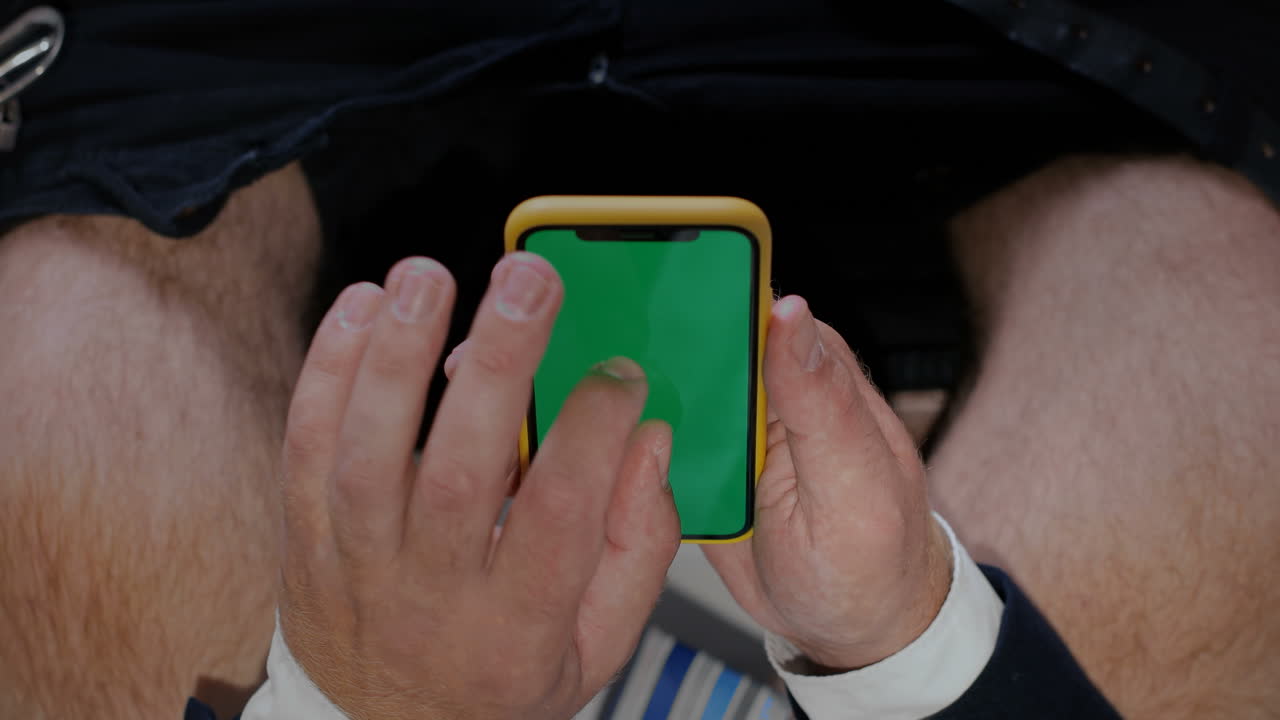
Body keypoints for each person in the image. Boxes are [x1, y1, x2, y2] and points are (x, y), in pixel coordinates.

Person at [2, 1, 1278, 718]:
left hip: (258, 42)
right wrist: (913, 649)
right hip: (1007, 49)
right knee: (1236, 390)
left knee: (50, 410)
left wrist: (356, 712)